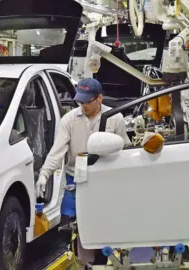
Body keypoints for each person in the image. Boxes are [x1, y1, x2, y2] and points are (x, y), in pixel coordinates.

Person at [35, 78, 131, 268]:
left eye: (88, 101)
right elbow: (57, 150)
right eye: (81, 101)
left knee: (106, 221)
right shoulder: (69, 120)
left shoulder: (115, 118)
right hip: (77, 178)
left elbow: (125, 149)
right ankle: (81, 261)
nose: (84, 106)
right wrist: (44, 174)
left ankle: (105, 258)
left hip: (106, 178)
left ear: (99, 98)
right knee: (71, 223)